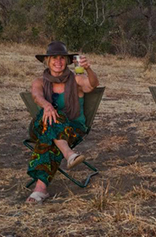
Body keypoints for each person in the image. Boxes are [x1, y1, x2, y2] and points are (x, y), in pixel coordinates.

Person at [26, 41, 99, 203]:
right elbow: (36, 96)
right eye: (54, 58)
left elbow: (93, 85)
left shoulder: (77, 80)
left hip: (72, 129)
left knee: (49, 134)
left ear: (67, 61)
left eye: (62, 58)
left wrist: (88, 69)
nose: (58, 61)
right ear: (47, 61)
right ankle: (69, 154)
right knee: (50, 116)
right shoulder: (39, 82)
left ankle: (40, 189)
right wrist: (47, 105)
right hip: (41, 125)